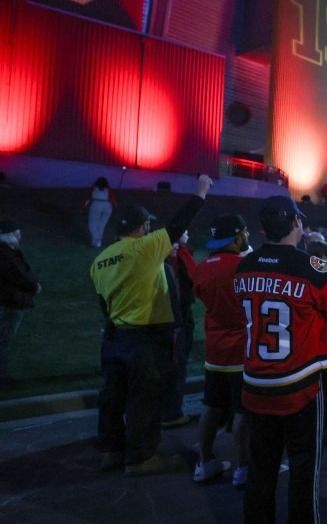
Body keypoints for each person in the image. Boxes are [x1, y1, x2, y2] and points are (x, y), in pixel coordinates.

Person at [235, 196, 327, 524]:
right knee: (303, 470)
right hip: (300, 385)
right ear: (296, 224)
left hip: (255, 384)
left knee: (260, 470)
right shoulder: (314, 267)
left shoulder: (244, 266)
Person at [90, 174, 211, 475]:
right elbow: (179, 223)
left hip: (115, 336)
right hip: (144, 336)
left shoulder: (100, 260)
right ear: (143, 227)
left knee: (112, 397)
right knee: (145, 397)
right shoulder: (145, 248)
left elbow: (103, 303)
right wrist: (201, 191)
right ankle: (142, 457)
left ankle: (111, 450)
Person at [192, 214, 251, 487]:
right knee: (243, 411)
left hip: (214, 349)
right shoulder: (244, 266)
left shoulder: (202, 268)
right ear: (237, 237)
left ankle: (204, 462)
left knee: (211, 407)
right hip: (242, 348)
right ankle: (243, 468)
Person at [161, 230, 197, 428]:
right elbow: (195, 275)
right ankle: (170, 413)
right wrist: (182, 249)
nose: (188, 236)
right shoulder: (168, 262)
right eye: (184, 234)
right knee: (176, 364)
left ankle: (168, 410)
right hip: (175, 319)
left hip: (179, 316)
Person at [0, 220, 41, 386]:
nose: (20, 235)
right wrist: (35, 285)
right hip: (9, 301)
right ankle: (2, 378)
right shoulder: (6, 253)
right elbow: (19, 274)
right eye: (17, 232)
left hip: (8, 299)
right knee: (3, 340)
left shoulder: (8, 251)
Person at [85, 176, 115, 248]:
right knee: (101, 225)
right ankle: (97, 242)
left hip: (96, 204)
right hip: (107, 206)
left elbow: (88, 198)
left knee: (92, 224)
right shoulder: (108, 189)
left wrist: (85, 206)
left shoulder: (94, 189)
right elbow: (113, 198)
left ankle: (96, 240)